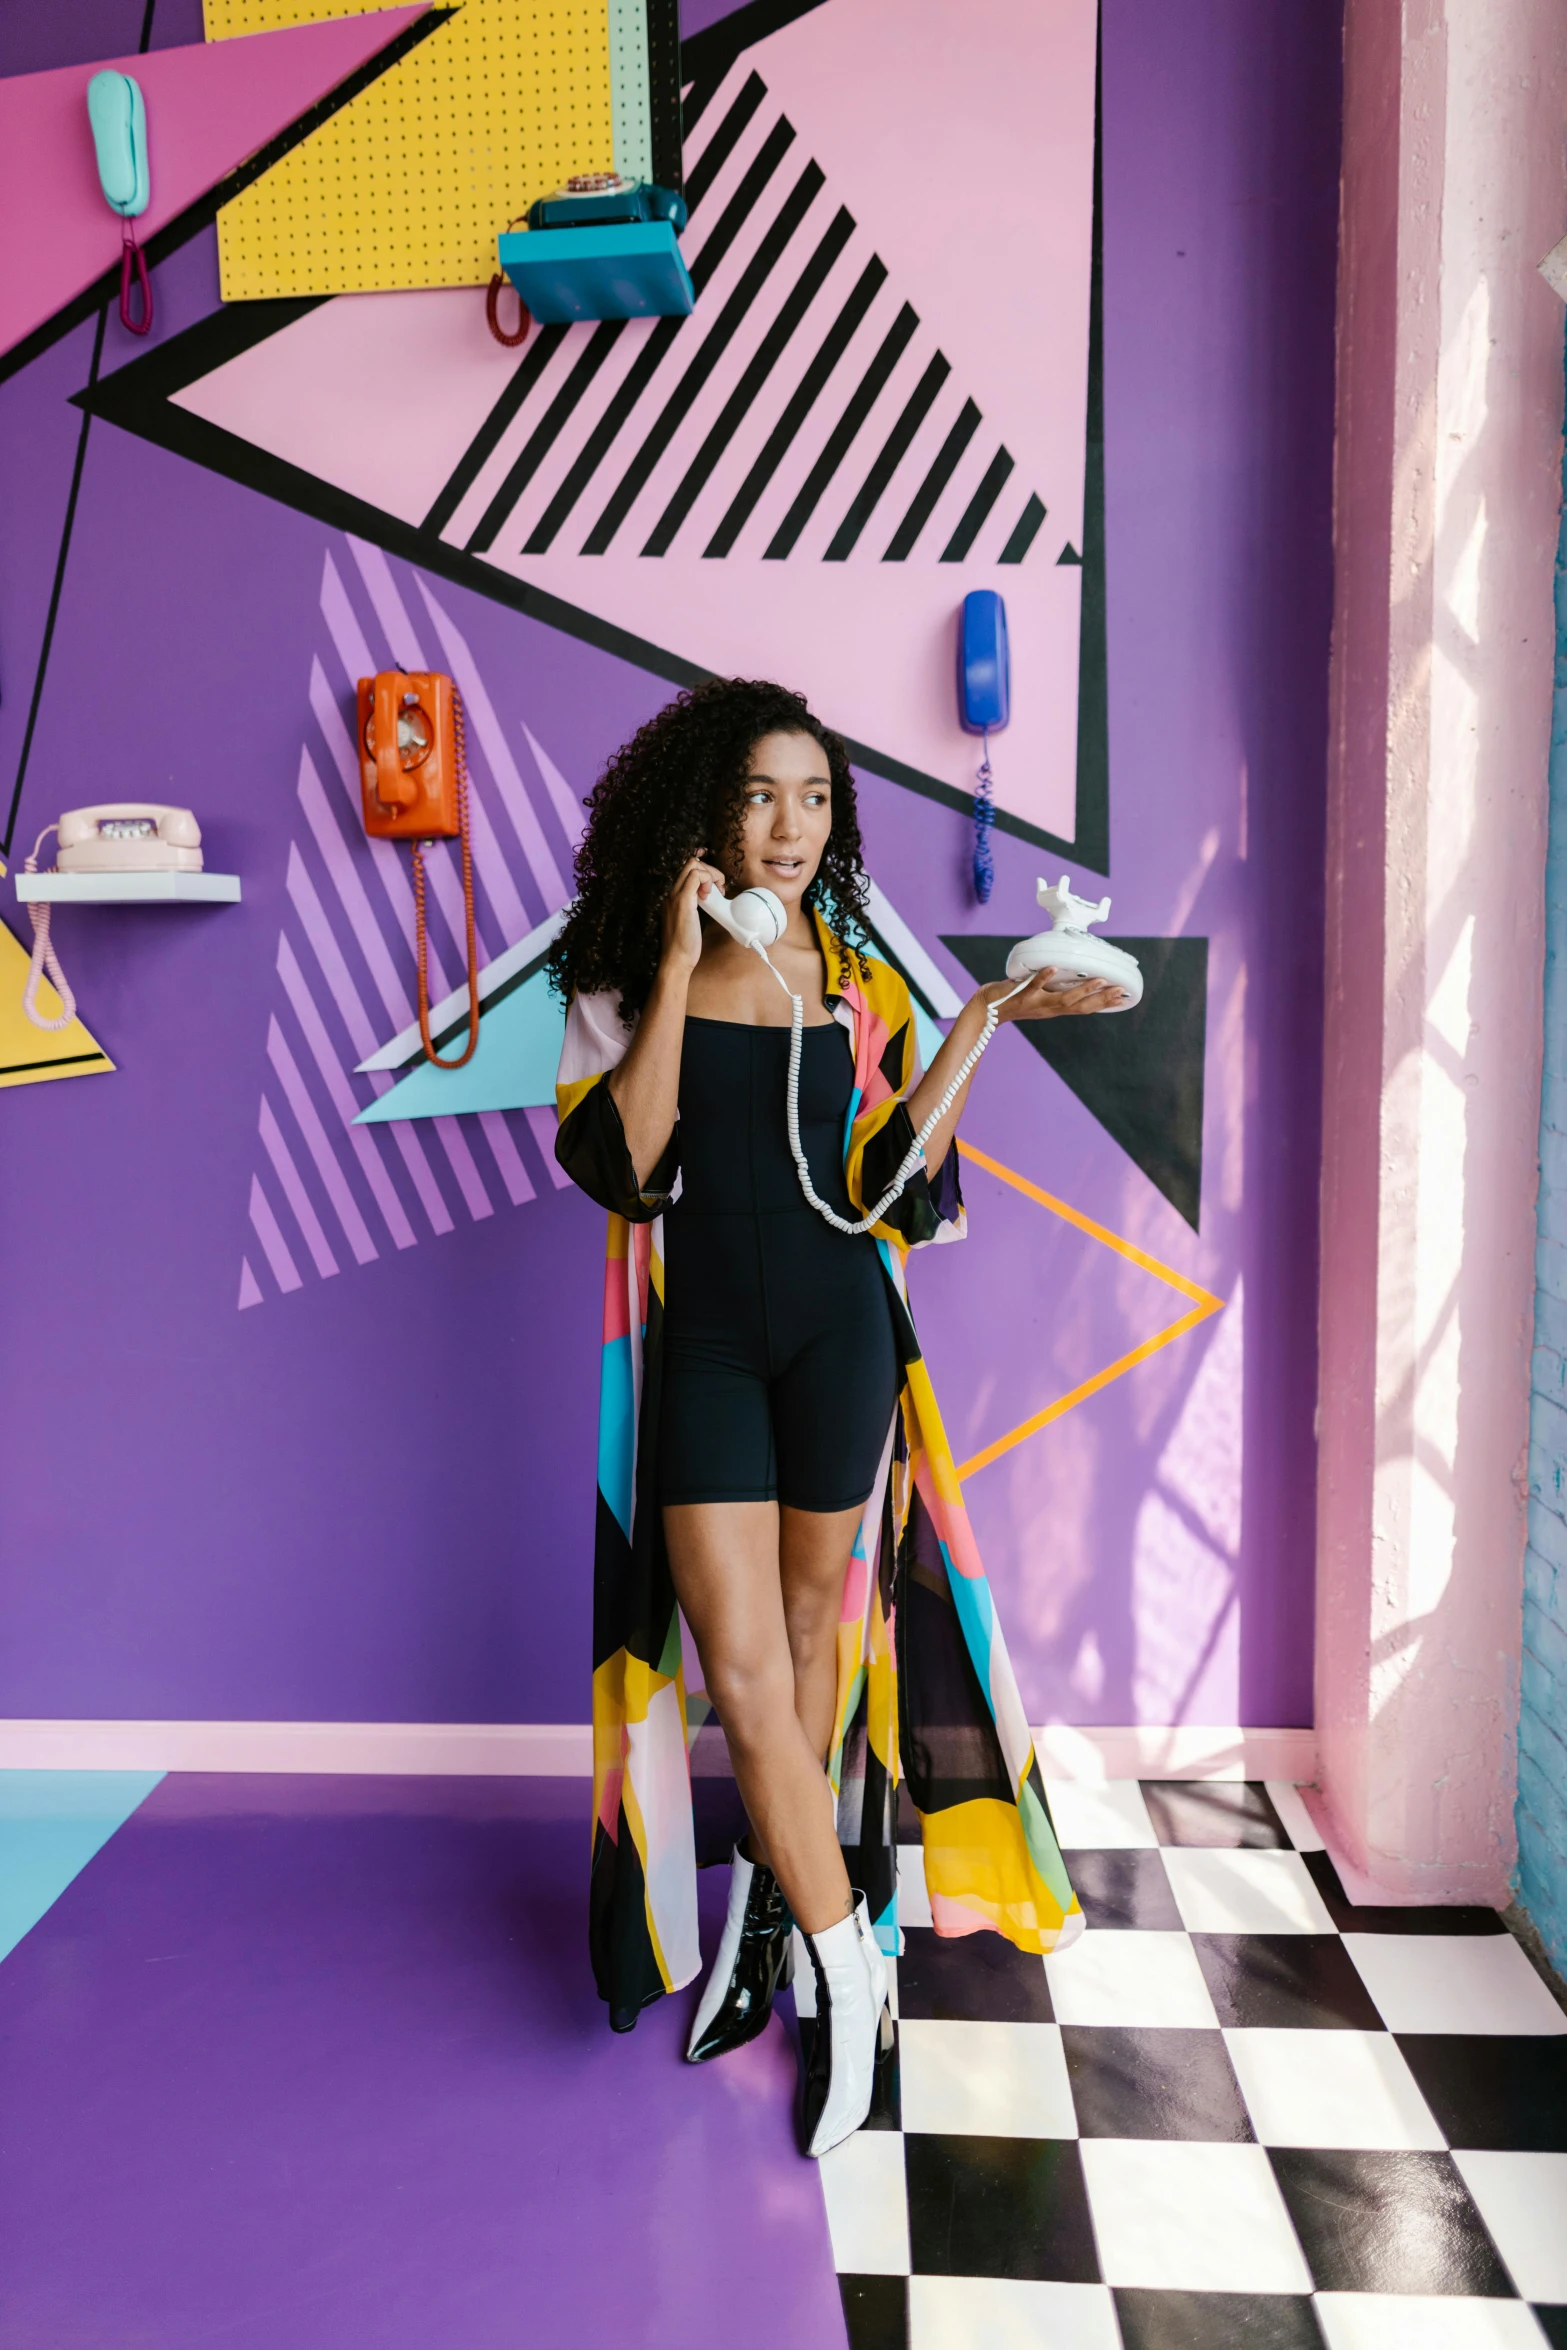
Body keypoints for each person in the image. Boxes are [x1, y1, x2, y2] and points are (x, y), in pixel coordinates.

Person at [550, 678, 1117, 2157]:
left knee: (809, 1650)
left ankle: (764, 1926)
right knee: (737, 1669)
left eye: (811, 797)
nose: (789, 826)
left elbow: (888, 1182)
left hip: (839, 1335)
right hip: (711, 1352)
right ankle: (849, 1962)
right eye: (757, 795)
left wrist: (979, 1017)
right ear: (703, 812)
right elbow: (625, 1162)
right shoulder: (620, 962)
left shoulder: (856, 968)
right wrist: (677, 967)